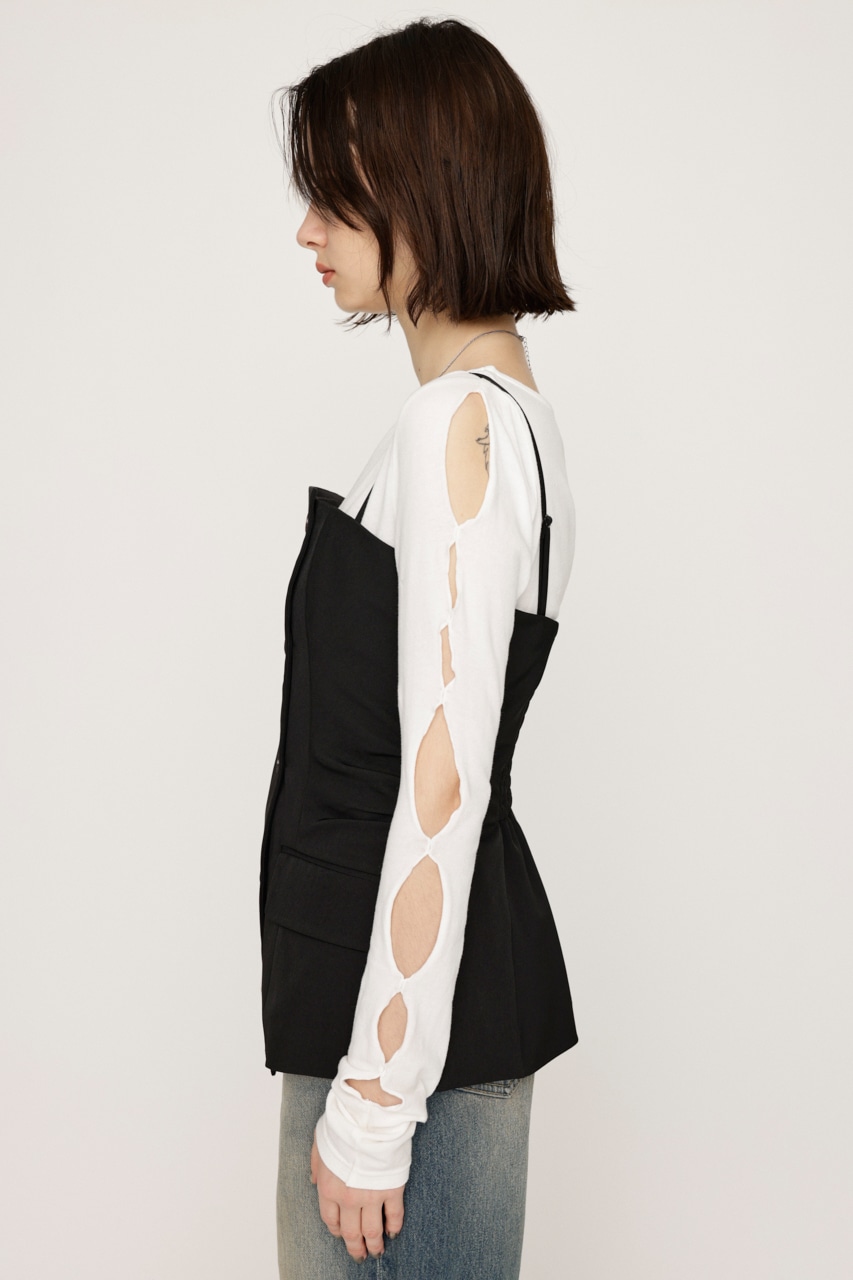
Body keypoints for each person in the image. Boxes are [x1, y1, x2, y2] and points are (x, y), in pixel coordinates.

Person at [259, 17, 579, 1279]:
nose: (308, 231)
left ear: (422, 190)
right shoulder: (505, 417)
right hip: (411, 1014)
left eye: (334, 197)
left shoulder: (456, 423)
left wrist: (374, 1103)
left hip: (399, 1044)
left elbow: (444, 777)